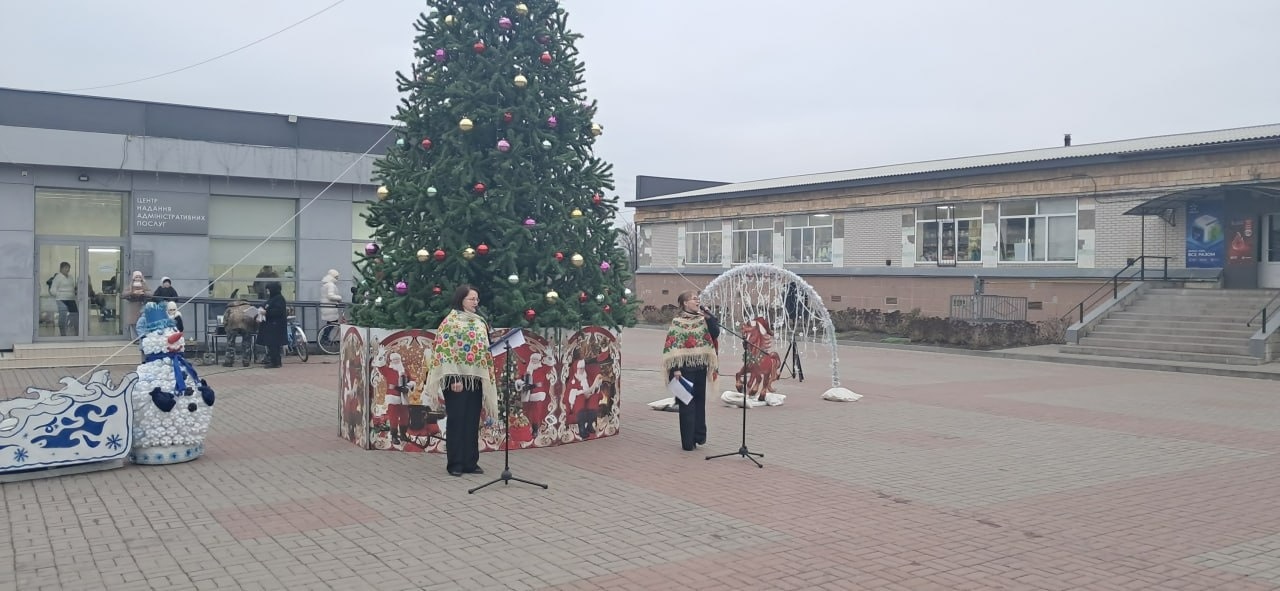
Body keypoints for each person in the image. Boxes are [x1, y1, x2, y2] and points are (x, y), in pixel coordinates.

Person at [422, 284, 498, 477]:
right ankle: (455, 463)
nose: (476, 303)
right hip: (455, 379)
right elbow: (444, 351)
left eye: (477, 299)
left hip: (476, 378)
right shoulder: (451, 322)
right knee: (457, 420)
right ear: (461, 300)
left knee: (472, 419)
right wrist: (454, 378)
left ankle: (471, 462)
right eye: (472, 299)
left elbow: (484, 348)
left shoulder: (480, 321)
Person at [662, 291, 720, 451]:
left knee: (700, 402)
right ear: (685, 303)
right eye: (693, 299)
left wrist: (710, 317)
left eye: (697, 299)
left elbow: (715, 334)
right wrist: (675, 370)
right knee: (687, 404)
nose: (697, 301)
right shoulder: (678, 322)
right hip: (684, 369)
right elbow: (672, 345)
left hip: (700, 366)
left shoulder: (703, 319)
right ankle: (688, 442)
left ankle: (699, 436)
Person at [258, 281, 287, 369]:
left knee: (274, 344)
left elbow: (278, 311)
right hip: (270, 325)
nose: (267, 292)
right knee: (271, 344)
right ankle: (274, 361)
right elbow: (266, 305)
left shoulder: (279, 299)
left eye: (268, 290)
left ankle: (275, 362)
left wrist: (266, 312)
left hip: (276, 325)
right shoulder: (272, 299)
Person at [49, 261, 78, 336]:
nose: (67, 269)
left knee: (75, 315)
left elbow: (72, 287)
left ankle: (77, 333)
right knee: (63, 316)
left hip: (71, 299)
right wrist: (58, 295)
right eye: (66, 268)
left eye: (68, 268)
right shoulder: (58, 277)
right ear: (61, 269)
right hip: (61, 299)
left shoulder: (70, 277)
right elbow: (52, 290)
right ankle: (63, 334)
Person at [123, 271, 149, 337]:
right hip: (132, 305)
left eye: (139, 277)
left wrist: (144, 293)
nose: (138, 278)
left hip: (141, 304)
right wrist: (133, 292)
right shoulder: (130, 285)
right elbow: (124, 293)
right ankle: (134, 337)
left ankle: (141, 336)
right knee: (133, 321)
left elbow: (150, 292)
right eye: (136, 277)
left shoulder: (144, 284)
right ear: (134, 278)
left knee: (141, 321)